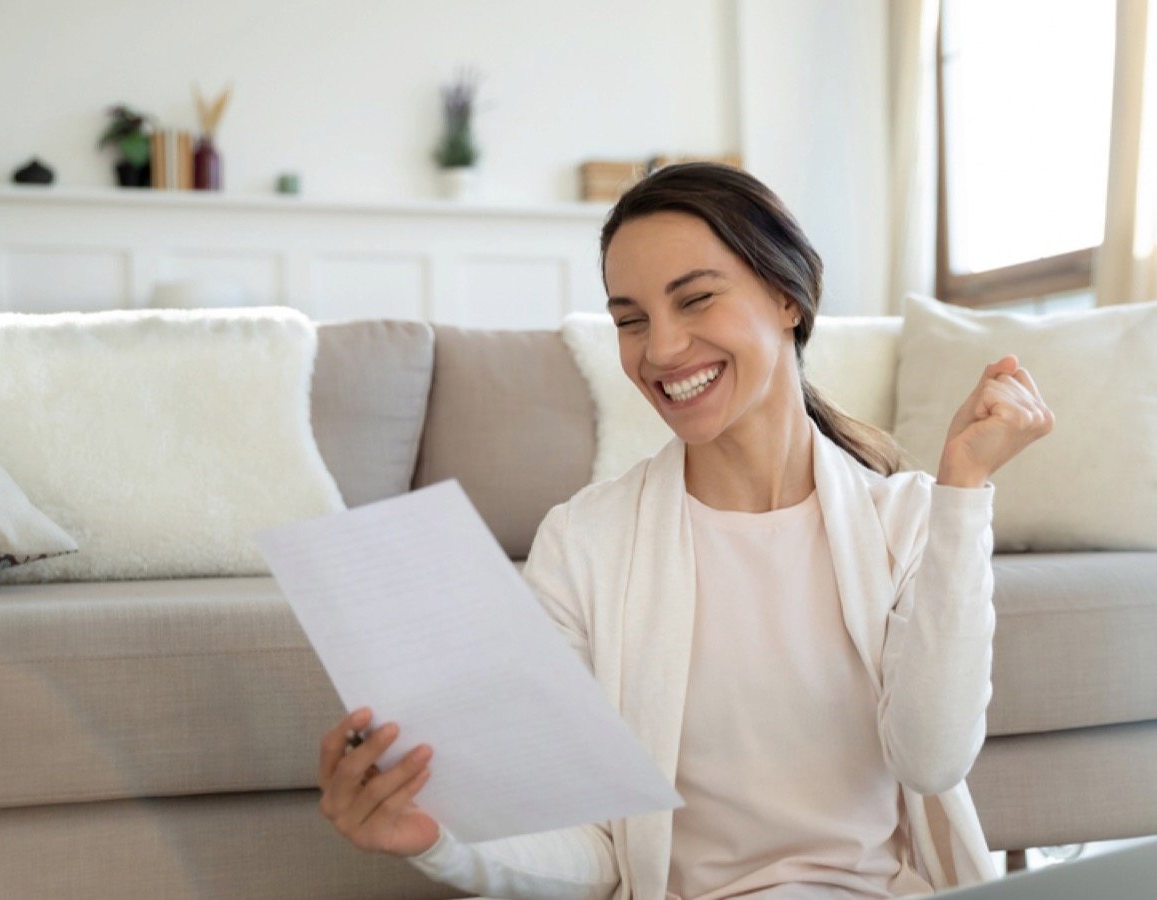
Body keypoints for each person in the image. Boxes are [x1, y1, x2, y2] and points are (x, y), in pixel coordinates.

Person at [314, 162, 1054, 899]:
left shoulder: (911, 519)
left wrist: (963, 491)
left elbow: (932, 759)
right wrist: (441, 841)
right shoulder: (584, 544)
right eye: (630, 320)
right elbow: (596, 848)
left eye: (695, 299)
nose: (661, 350)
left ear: (787, 297)